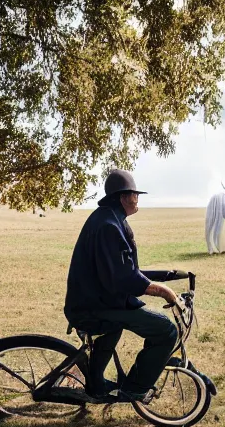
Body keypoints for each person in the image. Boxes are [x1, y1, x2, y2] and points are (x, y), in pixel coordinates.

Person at [64, 169, 179, 403]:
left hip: (98, 300)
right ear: (124, 197)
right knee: (166, 330)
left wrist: (169, 276)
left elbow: (124, 269)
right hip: (94, 306)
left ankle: (96, 384)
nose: (138, 199)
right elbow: (123, 277)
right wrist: (162, 291)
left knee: (115, 328)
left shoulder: (110, 219)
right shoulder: (109, 226)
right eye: (135, 194)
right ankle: (135, 389)